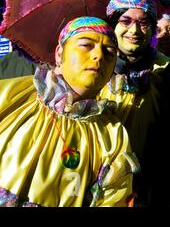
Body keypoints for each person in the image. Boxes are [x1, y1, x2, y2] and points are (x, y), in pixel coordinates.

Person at [0, 16, 138, 207]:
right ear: (59, 54)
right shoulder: (9, 95)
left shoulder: (113, 136)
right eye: (86, 45)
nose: (98, 55)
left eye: (109, 51)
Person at [100, 0, 170, 205]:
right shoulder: (97, 68)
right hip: (103, 186)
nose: (134, 30)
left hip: (155, 186)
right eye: (126, 21)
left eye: (143, 22)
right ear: (113, 24)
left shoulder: (168, 70)